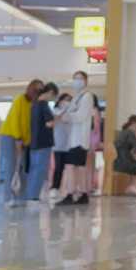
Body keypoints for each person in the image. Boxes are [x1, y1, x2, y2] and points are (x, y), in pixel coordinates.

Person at [0, 81, 41, 207]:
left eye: (40, 91)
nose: (37, 93)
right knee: (11, 167)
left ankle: (22, 197)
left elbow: (30, 125)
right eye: (35, 90)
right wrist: (18, 138)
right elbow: (15, 120)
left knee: (23, 169)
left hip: (24, 140)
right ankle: (8, 198)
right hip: (10, 135)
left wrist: (27, 142)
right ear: (30, 89)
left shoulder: (35, 104)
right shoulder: (19, 100)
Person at [57, 71, 95, 207]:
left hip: (79, 139)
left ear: (85, 81)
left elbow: (81, 116)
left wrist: (67, 116)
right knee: (79, 168)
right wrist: (65, 112)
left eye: (80, 78)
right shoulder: (77, 97)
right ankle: (82, 194)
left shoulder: (87, 96)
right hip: (74, 139)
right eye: (75, 78)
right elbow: (70, 113)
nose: (77, 81)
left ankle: (70, 194)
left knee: (71, 167)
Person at [25, 82, 59, 204]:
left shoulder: (34, 104)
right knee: (40, 169)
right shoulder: (44, 105)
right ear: (50, 92)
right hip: (44, 142)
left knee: (34, 169)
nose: (52, 99)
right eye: (53, 96)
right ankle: (34, 196)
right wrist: (58, 118)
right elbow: (49, 123)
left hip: (34, 142)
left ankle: (30, 194)